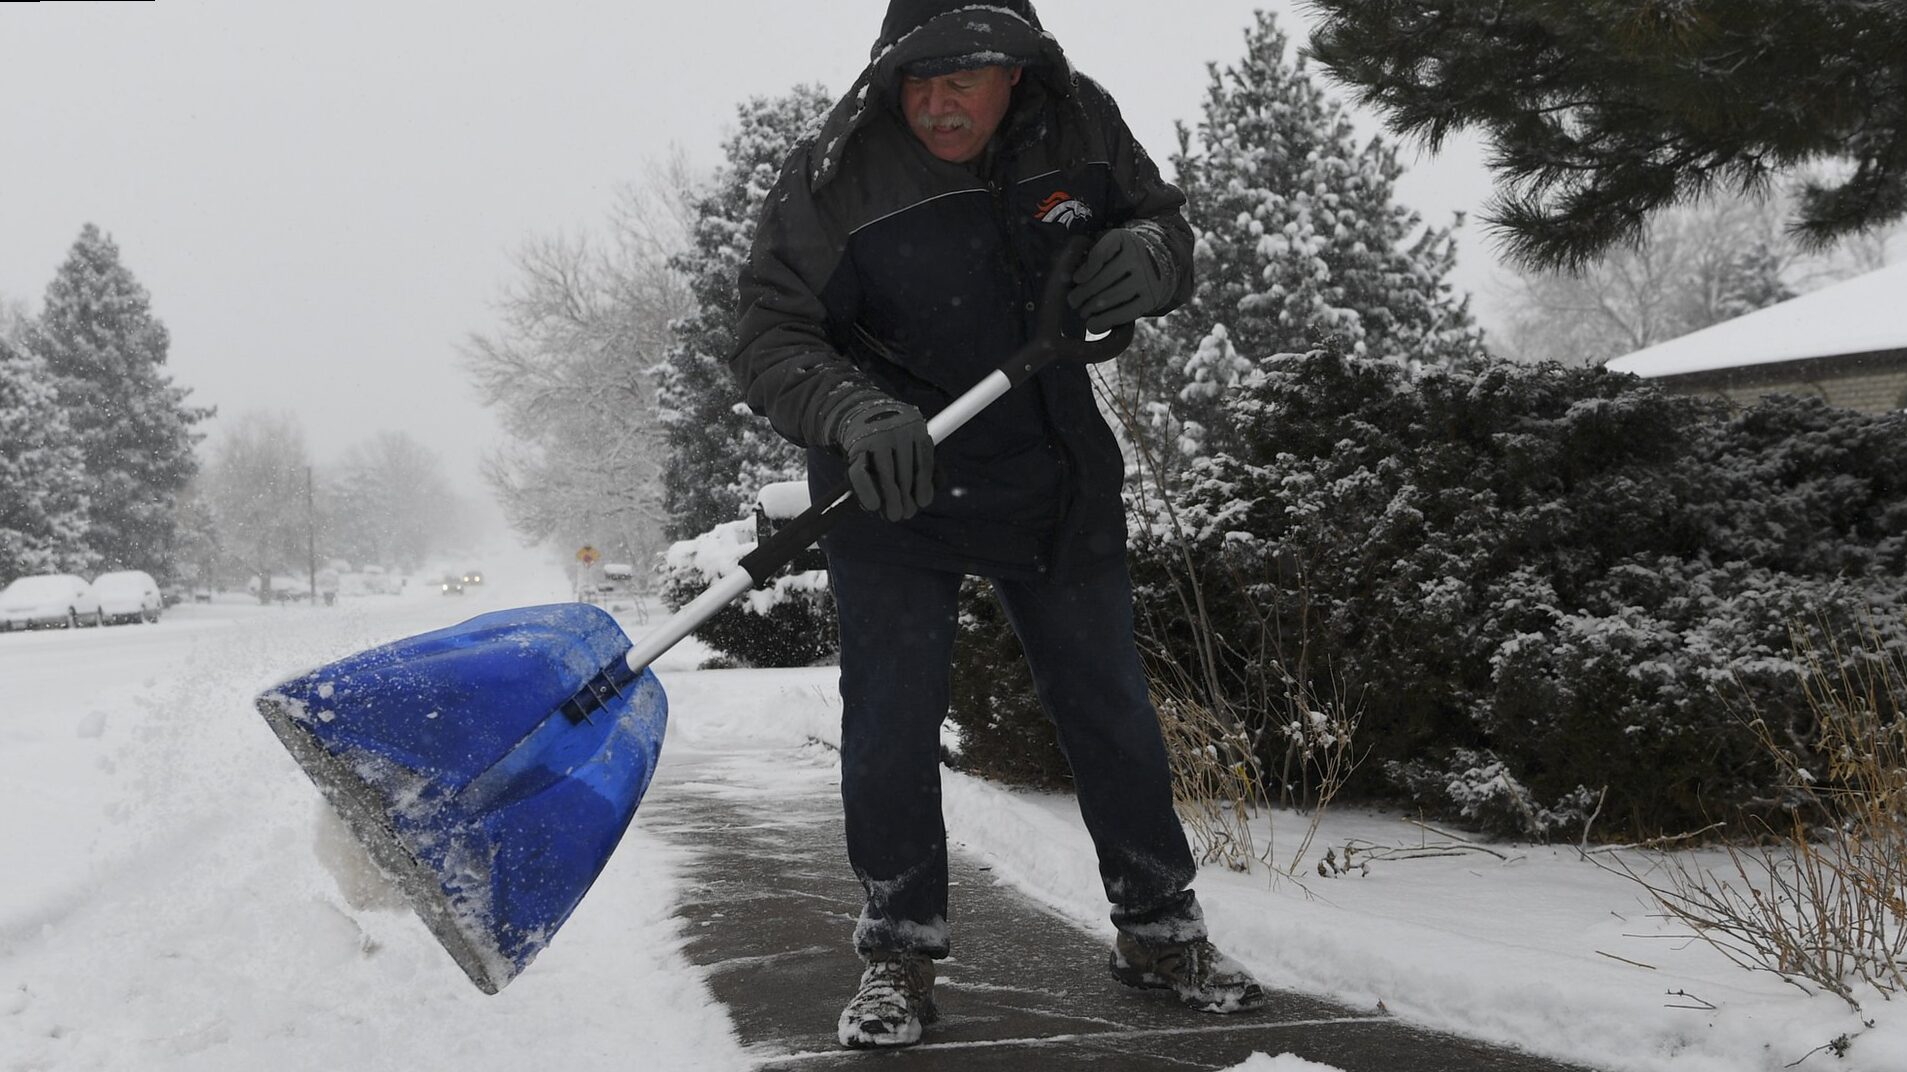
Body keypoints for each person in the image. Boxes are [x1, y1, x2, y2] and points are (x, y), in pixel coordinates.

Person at [731, 0, 1266, 1049]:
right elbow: (766, 332)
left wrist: (1154, 255)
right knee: (888, 724)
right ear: (888, 74)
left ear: (1015, 74)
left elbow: (1161, 221)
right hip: (891, 479)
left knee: (1110, 707)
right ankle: (896, 947)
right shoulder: (832, 174)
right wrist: (850, 410)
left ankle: (1159, 928)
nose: (938, 101)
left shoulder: (1079, 126)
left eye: (964, 75)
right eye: (917, 77)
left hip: (1050, 470)